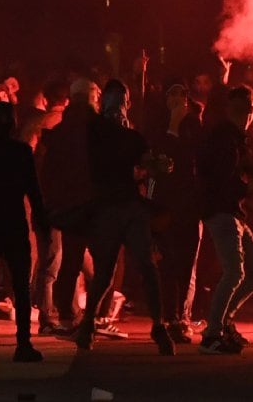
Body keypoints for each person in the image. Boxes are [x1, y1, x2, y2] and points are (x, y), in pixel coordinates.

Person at [73, 80, 173, 355]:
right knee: (112, 270)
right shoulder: (97, 132)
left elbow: (148, 164)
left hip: (122, 208)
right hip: (113, 208)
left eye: (122, 98)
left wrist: (157, 165)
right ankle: (91, 324)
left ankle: (155, 326)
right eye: (115, 97)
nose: (118, 103)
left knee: (135, 268)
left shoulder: (124, 136)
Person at [195, 85, 253, 354]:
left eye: (249, 110)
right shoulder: (225, 138)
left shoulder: (237, 138)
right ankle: (212, 334)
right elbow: (221, 178)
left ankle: (223, 321)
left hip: (231, 211)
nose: (248, 115)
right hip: (222, 210)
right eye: (247, 110)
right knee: (235, 271)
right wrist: (248, 188)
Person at [0, 101, 48, 362]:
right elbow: (34, 190)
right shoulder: (20, 152)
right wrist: (41, 219)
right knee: (20, 285)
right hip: (13, 222)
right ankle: (23, 343)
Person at [35, 78, 99, 336]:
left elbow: (47, 167)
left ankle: (67, 314)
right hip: (84, 204)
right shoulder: (90, 128)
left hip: (62, 204)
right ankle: (66, 315)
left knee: (68, 262)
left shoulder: (61, 129)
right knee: (63, 262)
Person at [148, 83, 205, 344]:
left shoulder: (195, 126)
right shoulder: (159, 127)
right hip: (165, 206)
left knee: (186, 264)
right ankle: (170, 317)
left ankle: (182, 316)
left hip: (190, 206)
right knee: (168, 263)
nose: (176, 98)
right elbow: (158, 163)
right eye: (171, 93)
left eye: (181, 93)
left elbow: (195, 159)